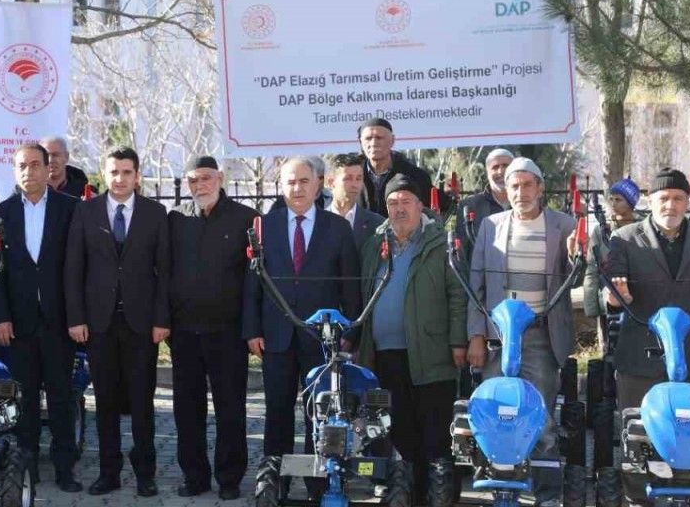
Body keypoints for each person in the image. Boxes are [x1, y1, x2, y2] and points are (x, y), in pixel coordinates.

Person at [467, 157, 575, 506]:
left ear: (540, 188)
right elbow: (476, 285)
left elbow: (576, 277)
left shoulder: (565, 225)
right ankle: (500, 489)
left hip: (540, 337)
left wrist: (578, 255)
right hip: (498, 338)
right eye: (514, 186)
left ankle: (547, 495)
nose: (521, 192)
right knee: (497, 414)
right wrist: (476, 335)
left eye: (528, 185)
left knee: (540, 418)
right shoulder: (491, 226)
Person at [64, 146, 171, 497]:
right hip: (99, 323)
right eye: (114, 172)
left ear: (137, 176)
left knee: (142, 402)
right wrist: (76, 318)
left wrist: (162, 319)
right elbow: (74, 268)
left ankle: (145, 473)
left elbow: (164, 271)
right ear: (104, 174)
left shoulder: (155, 213)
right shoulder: (86, 211)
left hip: (142, 323)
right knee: (105, 401)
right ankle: (108, 472)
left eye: (127, 172)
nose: (120, 179)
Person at [354, 175, 465, 501]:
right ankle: (405, 496)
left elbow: (458, 295)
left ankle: (439, 496)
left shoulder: (440, 243)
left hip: (432, 352)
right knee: (399, 431)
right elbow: (363, 293)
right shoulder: (374, 244)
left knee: (435, 430)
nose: (399, 209)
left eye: (406, 202)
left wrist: (459, 340)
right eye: (392, 203)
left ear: (421, 206)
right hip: (385, 354)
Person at [243, 157, 359, 461]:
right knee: (277, 411)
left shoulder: (337, 227)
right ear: (281, 186)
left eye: (304, 181)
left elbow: (350, 285)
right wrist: (252, 330)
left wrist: (350, 333)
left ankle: (318, 479)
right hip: (275, 337)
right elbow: (253, 284)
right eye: (290, 182)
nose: (297, 188)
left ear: (318, 184)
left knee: (320, 412)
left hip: (322, 339)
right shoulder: (263, 227)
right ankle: (275, 475)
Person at [0, 143, 83, 492]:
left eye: (34, 165)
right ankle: (25, 467)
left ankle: (65, 469)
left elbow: (79, 267)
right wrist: (0, 317)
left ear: (48, 169)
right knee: (23, 399)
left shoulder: (70, 209)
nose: (28, 171)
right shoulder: (0, 214)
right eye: (21, 166)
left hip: (59, 322)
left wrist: (77, 317)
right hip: (18, 324)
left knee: (61, 398)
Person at [167, 156, 257, 500]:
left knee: (230, 409)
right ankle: (194, 477)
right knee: (187, 410)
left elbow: (255, 280)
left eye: (205, 178)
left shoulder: (246, 219)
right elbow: (164, 271)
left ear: (220, 178)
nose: (199, 185)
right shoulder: (176, 219)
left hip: (228, 333)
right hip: (184, 333)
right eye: (193, 180)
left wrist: (251, 328)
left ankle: (229, 478)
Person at [605, 168, 690, 411]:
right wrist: (617, 300)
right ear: (650, 201)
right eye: (663, 198)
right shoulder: (624, 238)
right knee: (639, 428)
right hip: (641, 359)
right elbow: (612, 289)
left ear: (688, 202)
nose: (670, 205)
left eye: (678, 198)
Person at [580, 178, 640, 335]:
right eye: (611, 199)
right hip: (608, 303)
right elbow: (592, 269)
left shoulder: (642, 231)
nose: (613, 203)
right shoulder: (601, 232)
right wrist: (592, 306)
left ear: (631, 203)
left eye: (618, 200)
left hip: (639, 302)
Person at [356, 118, 434, 217]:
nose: (373, 143)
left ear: (392, 141)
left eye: (379, 138)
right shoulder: (352, 175)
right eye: (368, 138)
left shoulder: (415, 176)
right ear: (361, 142)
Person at [453, 148, 513, 251]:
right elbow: (461, 250)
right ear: (487, 173)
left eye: (505, 166)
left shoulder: (525, 203)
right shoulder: (469, 206)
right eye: (495, 167)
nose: (501, 171)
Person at [327, 153, 384, 252]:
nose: (355, 185)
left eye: (358, 178)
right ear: (331, 182)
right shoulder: (316, 223)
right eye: (348, 178)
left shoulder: (377, 224)